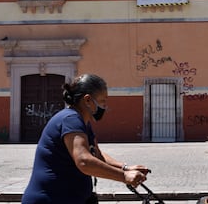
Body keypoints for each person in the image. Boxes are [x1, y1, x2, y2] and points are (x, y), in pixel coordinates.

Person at [22, 74, 149, 204]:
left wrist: (125, 168)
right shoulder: (71, 120)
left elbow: (96, 155)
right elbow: (84, 160)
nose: (105, 106)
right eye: (102, 101)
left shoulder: (83, 122)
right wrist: (123, 176)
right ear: (87, 100)